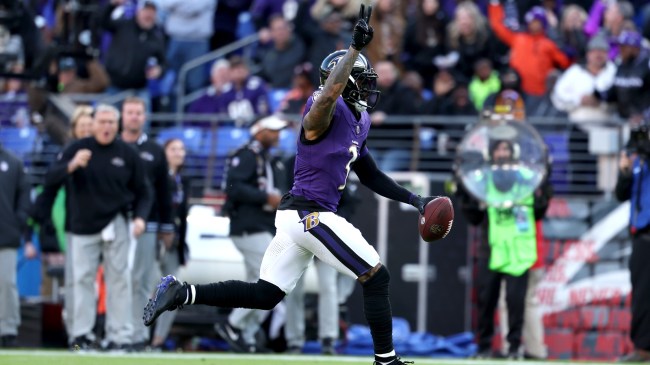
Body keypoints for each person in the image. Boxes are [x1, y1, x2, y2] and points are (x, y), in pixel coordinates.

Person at [143, 5, 434, 364]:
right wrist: (354, 50)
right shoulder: (324, 107)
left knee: (266, 295)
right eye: (362, 79)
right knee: (376, 275)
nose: (369, 86)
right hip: (309, 215)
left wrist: (415, 199)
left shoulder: (360, 120)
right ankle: (386, 361)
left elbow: (370, 172)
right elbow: (327, 96)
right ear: (341, 82)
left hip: (298, 217)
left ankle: (182, 292)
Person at [44, 103, 152, 350]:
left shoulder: (127, 153)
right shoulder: (77, 148)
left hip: (116, 222)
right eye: (101, 122)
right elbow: (51, 178)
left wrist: (140, 218)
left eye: (111, 122)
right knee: (81, 279)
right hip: (82, 224)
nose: (106, 127)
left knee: (119, 280)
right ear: (93, 124)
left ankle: (119, 336)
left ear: (117, 125)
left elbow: (144, 191)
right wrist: (71, 166)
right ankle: (81, 335)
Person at [457, 138, 551, 359]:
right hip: (489, 249)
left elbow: (538, 210)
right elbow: (474, 216)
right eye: (498, 148)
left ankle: (515, 348)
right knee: (486, 302)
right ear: (491, 154)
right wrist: (462, 191)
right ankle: (485, 347)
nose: (502, 153)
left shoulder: (527, 179)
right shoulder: (483, 180)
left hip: (518, 251)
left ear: (514, 152)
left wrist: (547, 185)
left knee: (516, 303)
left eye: (506, 148)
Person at [214, 115, 289, 353]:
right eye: (272, 130)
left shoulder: (274, 161)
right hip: (248, 225)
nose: (277, 135)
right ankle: (232, 323)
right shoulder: (246, 155)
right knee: (271, 278)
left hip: (266, 225)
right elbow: (233, 187)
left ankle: (247, 336)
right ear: (258, 131)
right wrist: (265, 197)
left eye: (278, 131)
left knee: (255, 282)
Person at [120, 97, 174, 351]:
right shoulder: (113, 145)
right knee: (116, 278)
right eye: (129, 112)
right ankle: (115, 330)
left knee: (141, 280)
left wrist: (167, 225)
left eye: (138, 113)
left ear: (144, 117)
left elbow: (164, 192)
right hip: (114, 221)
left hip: (148, 223)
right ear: (123, 115)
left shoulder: (154, 150)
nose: (133, 117)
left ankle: (136, 334)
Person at [150, 138, 191, 350]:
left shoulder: (183, 180)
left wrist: (183, 246)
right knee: (148, 289)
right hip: (155, 240)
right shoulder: (157, 176)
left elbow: (182, 216)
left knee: (172, 293)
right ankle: (138, 335)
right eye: (173, 149)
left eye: (181, 149)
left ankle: (158, 339)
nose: (178, 153)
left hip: (174, 243)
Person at [616, 120, 650, 362]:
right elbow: (621, 194)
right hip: (642, 236)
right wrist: (625, 171)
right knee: (641, 296)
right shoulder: (637, 160)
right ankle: (643, 349)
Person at [0, 130, 32, 348]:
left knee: (6, 284)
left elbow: (24, 195)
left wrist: (18, 220)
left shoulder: (13, 162)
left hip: (5, 234)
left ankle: (8, 330)